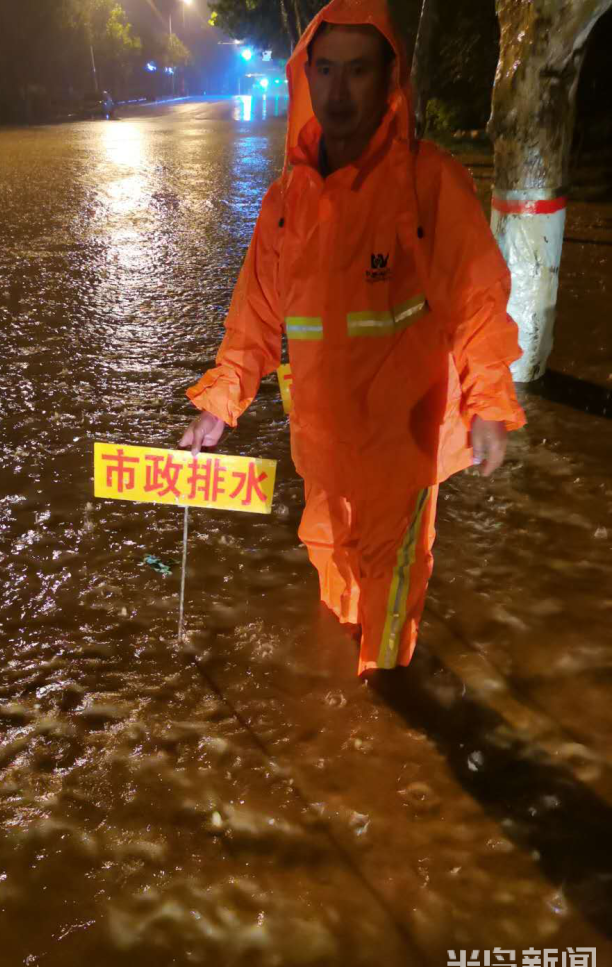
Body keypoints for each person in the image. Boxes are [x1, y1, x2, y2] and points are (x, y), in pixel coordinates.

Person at [179, 0, 526, 676]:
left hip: (404, 448)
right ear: (307, 76)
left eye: (358, 71)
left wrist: (488, 403)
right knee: (331, 572)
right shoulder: (286, 203)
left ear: (389, 77)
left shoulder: (430, 186)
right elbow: (254, 316)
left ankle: (384, 722)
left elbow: (477, 299)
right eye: (327, 70)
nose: (339, 92)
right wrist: (219, 404)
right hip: (323, 443)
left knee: (388, 604)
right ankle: (345, 707)